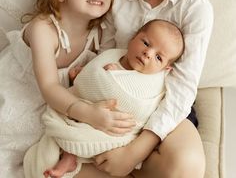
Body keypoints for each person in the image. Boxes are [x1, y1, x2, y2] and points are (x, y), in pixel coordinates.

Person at [73, 0, 214, 178]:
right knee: (71, 157)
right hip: (113, 93)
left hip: (164, 102)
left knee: (186, 165)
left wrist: (134, 151)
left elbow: (182, 89)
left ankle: (132, 164)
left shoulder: (196, 10)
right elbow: (106, 49)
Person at [0, 0, 135, 177]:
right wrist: (89, 114)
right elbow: (50, 87)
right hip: (16, 103)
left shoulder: (99, 36)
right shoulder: (43, 29)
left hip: (55, 112)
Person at [23, 19, 184, 178]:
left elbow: (140, 108)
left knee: (87, 131)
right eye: (146, 43)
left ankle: (71, 156)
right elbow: (89, 80)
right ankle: (69, 156)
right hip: (89, 111)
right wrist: (81, 75)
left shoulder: (153, 83)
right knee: (73, 121)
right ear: (134, 37)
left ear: (166, 69)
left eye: (158, 58)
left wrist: (111, 76)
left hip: (119, 128)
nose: (148, 54)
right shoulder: (112, 55)